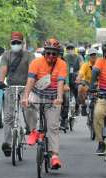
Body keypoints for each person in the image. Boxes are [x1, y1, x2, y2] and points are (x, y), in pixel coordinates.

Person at [22, 38, 67, 169]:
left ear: (58, 54)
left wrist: (59, 97)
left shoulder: (62, 64)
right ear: (44, 53)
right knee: (26, 104)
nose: (51, 56)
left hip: (53, 97)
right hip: (37, 94)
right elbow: (30, 81)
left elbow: (60, 83)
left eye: (54, 54)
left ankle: (54, 156)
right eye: (48, 53)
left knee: (53, 127)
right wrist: (25, 97)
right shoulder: (36, 63)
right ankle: (33, 131)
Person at [0, 32, 34, 157]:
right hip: (11, 87)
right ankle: (7, 143)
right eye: (14, 42)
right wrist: (1, 81)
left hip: (26, 88)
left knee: (27, 109)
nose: (16, 44)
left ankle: (30, 129)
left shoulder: (29, 55)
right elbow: (3, 68)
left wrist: (31, 85)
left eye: (18, 42)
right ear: (10, 43)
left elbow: (32, 71)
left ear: (22, 43)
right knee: (8, 116)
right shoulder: (6, 55)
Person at [76, 48, 98, 116]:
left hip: (98, 84)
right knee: (80, 88)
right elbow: (81, 73)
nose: (93, 56)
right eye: (91, 55)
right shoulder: (85, 65)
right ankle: (83, 105)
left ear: (96, 55)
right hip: (87, 83)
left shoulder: (99, 64)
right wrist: (79, 79)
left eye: (94, 54)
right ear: (88, 56)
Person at [64, 43, 84, 115]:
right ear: (66, 50)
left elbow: (82, 67)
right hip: (66, 79)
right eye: (68, 49)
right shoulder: (65, 57)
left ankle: (77, 106)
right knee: (66, 96)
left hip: (76, 79)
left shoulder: (79, 57)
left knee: (77, 94)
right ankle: (65, 112)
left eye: (71, 48)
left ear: (74, 49)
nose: (70, 50)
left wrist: (79, 73)